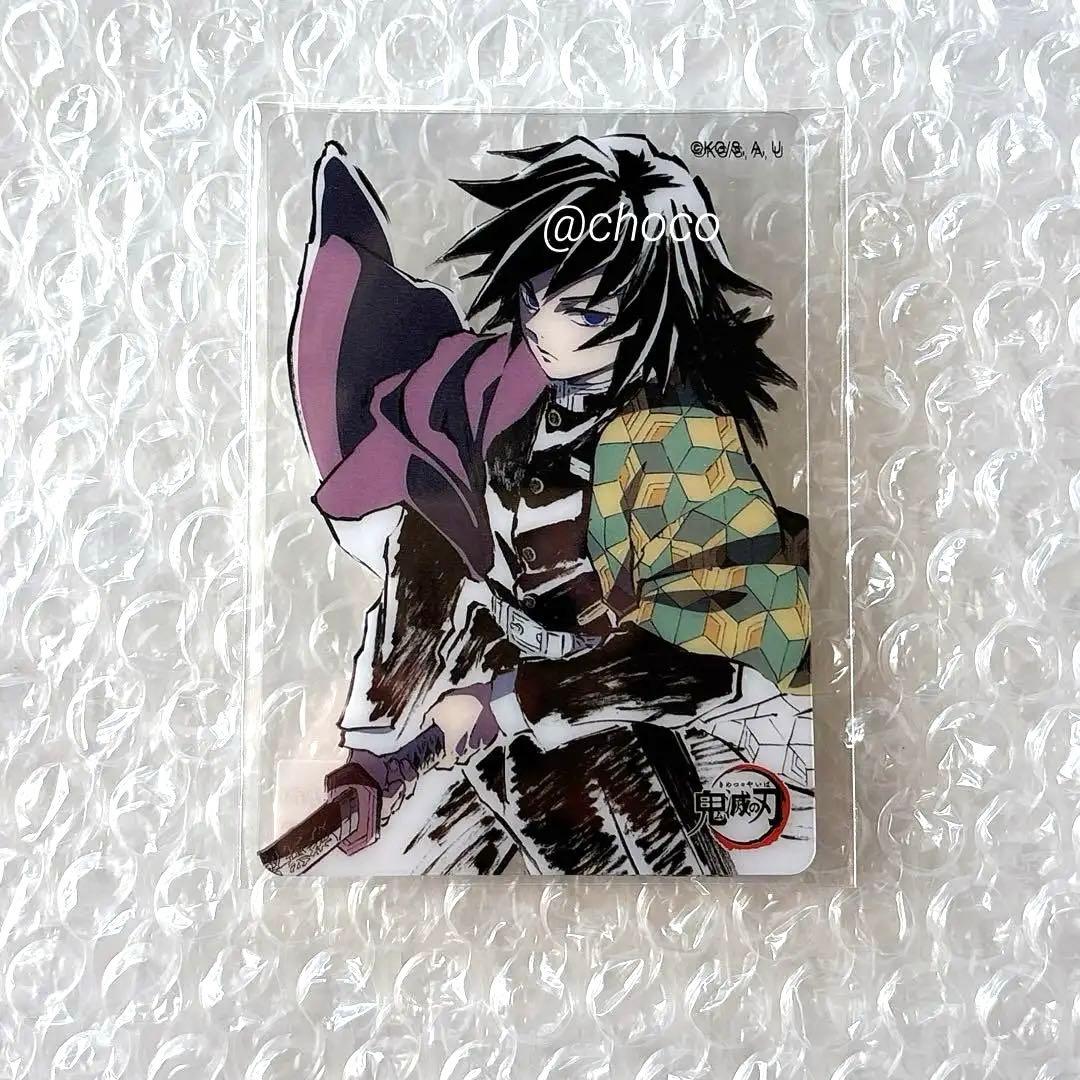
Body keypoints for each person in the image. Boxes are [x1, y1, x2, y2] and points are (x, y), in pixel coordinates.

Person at [284, 134, 813, 874]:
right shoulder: (491, 389)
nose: (542, 328)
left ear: (654, 314)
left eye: (585, 314)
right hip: (490, 694)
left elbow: (705, 655)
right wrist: (375, 739)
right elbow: (429, 540)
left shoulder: (680, 446)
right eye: (534, 298)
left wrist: (510, 701)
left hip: (652, 718)